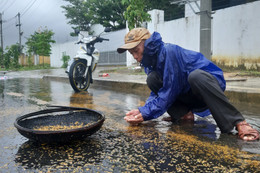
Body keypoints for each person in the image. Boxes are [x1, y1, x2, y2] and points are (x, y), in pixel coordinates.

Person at [117, 28, 259, 141]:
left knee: (196, 76)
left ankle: (239, 122)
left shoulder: (169, 52)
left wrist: (145, 113)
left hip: (207, 87)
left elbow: (169, 91)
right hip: (186, 89)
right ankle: (185, 115)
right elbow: (157, 92)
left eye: (136, 50)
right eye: (131, 53)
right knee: (152, 79)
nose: (135, 56)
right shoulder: (150, 62)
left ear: (148, 45)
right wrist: (142, 110)